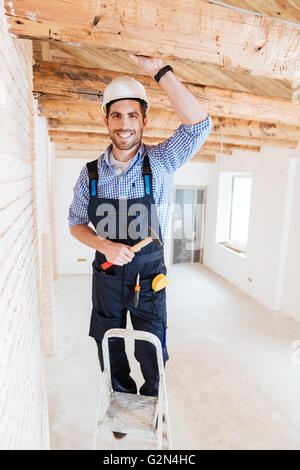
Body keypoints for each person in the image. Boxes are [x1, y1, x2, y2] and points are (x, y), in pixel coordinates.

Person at [68, 54, 213, 439]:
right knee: (108, 340)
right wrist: (103, 244)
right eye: (117, 115)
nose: (125, 124)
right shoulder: (91, 173)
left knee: (152, 342)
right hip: (107, 273)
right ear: (106, 120)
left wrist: (159, 72)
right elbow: (75, 224)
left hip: (148, 273)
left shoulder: (162, 161)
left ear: (144, 121)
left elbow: (200, 125)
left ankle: (151, 403)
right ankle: (121, 400)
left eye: (133, 115)